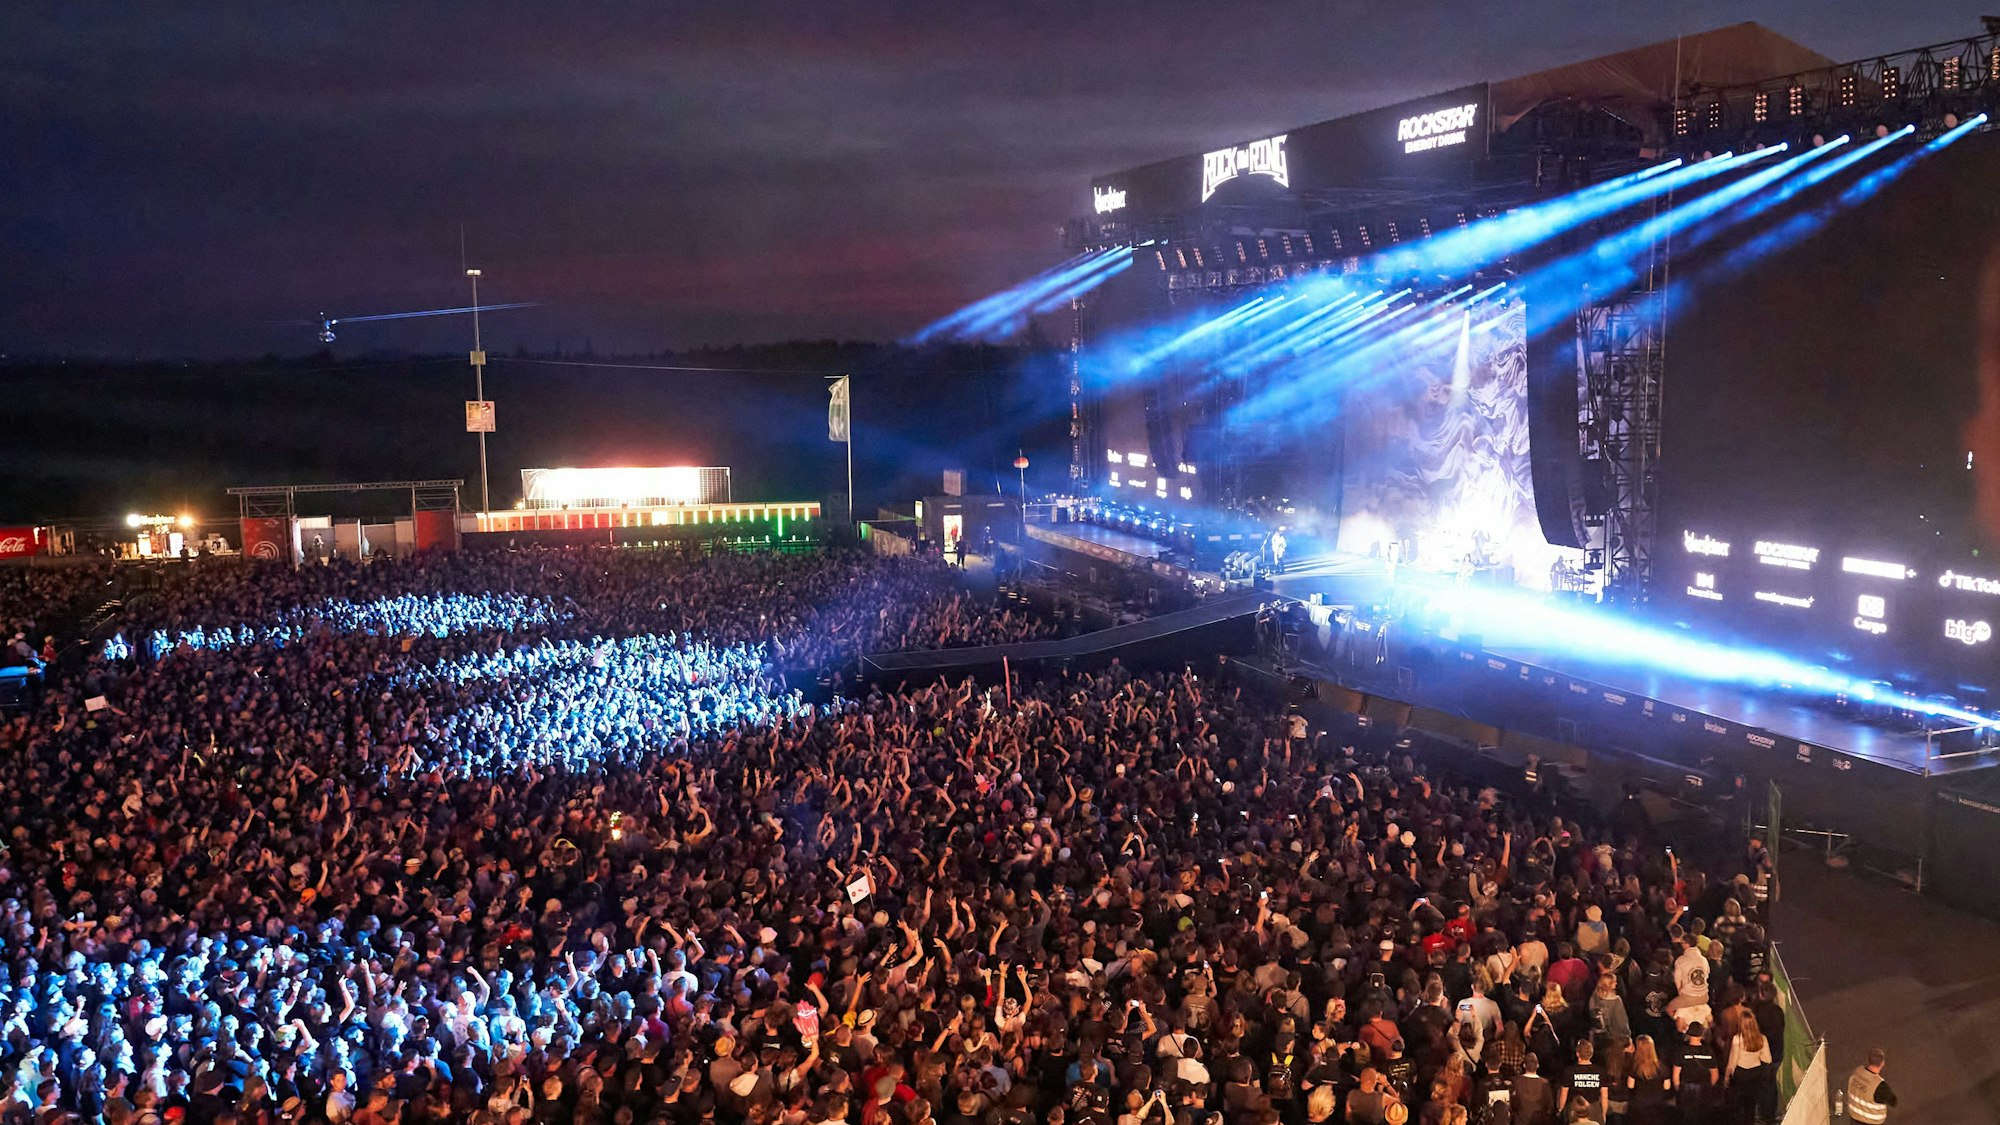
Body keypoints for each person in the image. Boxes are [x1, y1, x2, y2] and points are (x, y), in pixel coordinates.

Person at [1724, 1013, 1774, 1124]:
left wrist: (1727, 1077)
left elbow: (1733, 1061)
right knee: (1751, 1103)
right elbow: (1767, 1059)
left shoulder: (1737, 1039)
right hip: (1756, 1073)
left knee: (1739, 1102)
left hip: (1741, 1074)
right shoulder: (1762, 1038)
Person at [1844, 1048, 1896, 1124]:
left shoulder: (1857, 1072)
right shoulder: (1879, 1086)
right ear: (1882, 1063)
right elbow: (1893, 1101)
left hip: (1854, 1120)